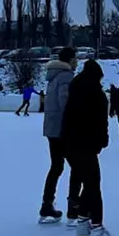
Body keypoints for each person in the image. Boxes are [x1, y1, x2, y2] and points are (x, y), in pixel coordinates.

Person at [60, 59, 116, 236]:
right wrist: (102, 140)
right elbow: (100, 123)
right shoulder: (96, 96)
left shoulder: (75, 90)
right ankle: (97, 229)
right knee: (93, 185)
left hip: (69, 145)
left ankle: (83, 223)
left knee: (88, 182)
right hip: (85, 145)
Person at [39, 47, 78, 223]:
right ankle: (74, 206)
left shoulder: (53, 76)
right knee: (78, 167)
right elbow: (66, 102)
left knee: (56, 166)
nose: (77, 62)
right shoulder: (66, 77)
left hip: (52, 129)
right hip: (64, 130)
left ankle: (47, 204)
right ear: (70, 60)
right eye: (76, 58)